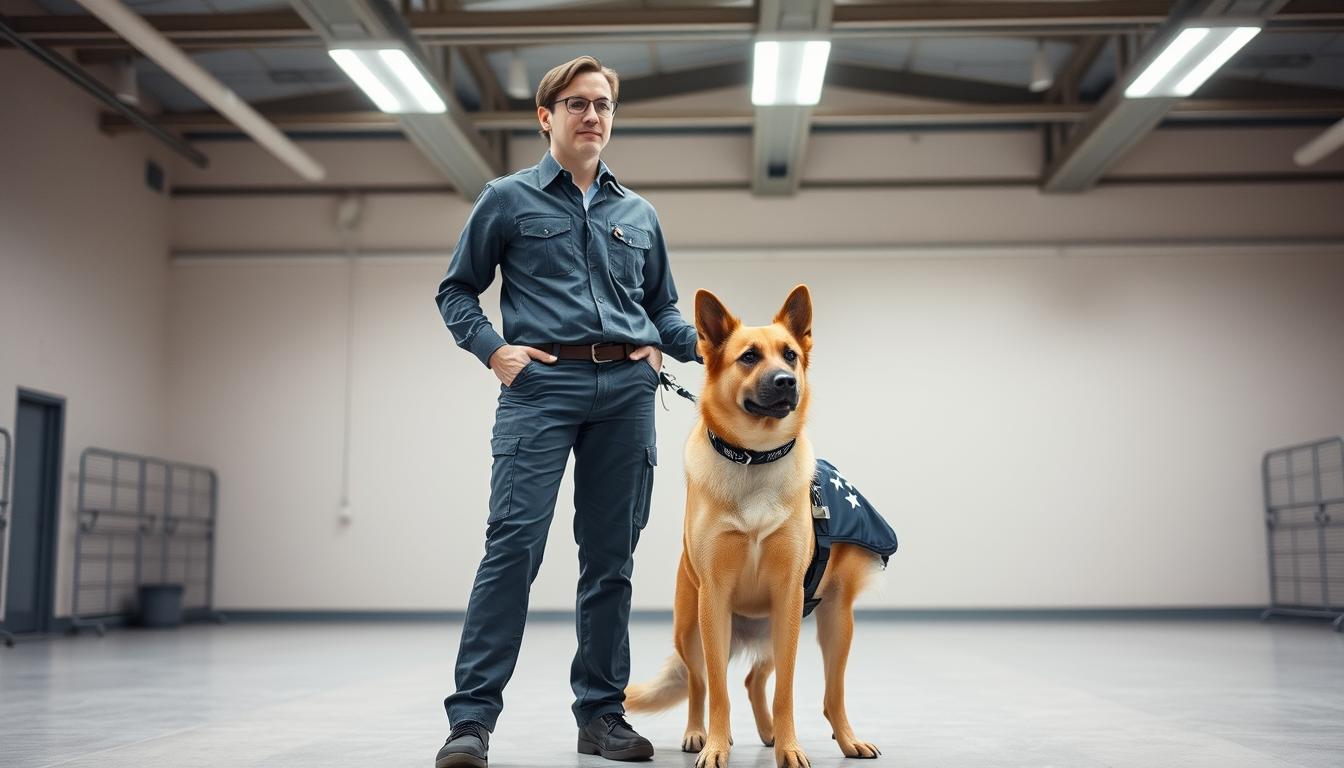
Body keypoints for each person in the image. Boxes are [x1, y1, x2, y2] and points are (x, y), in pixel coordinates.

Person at [432, 55, 700, 768]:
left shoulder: (638, 213)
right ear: (545, 116)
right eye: (577, 103)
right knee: (512, 549)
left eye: (604, 105)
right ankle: (471, 723)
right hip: (540, 391)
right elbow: (456, 291)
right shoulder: (506, 199)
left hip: (628, 395)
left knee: (610, 563)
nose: (592, 116)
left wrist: (720, 346)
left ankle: (601, 718)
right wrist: (494, 351)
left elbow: (664, 308)